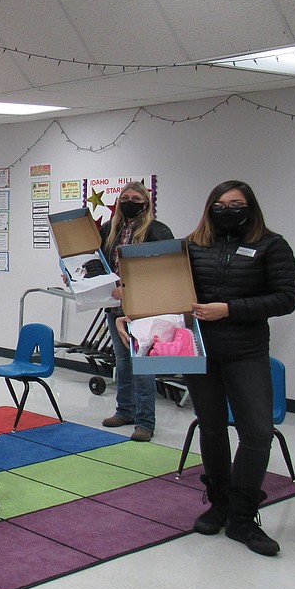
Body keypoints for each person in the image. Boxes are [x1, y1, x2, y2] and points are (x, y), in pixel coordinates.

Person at [182, 180, 295, 556]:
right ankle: (220, 504)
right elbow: (166, 289)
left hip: (247, 352)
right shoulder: (192, 245)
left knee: (258, 433)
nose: (227, 209)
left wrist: (229, 309)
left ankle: (243, 517)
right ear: (209, 207)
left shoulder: (272, 245)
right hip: (201, 352)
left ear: (250, 207)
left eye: (236, 203)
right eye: (220, 203)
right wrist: (132, 310)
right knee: (212, 428)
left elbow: (286, 298)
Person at [99, 181, 173, 442]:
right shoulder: (110, 229)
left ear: (146, 202)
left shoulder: (158, 231)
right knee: (123, 362)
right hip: (114, 308)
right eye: (124, 197)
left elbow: (164, 271)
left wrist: (129, 288)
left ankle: (145, 422)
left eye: (135, 198)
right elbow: (99, 264)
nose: (129, 202)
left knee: (142, 364)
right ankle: (125, 411)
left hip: (144, 310)